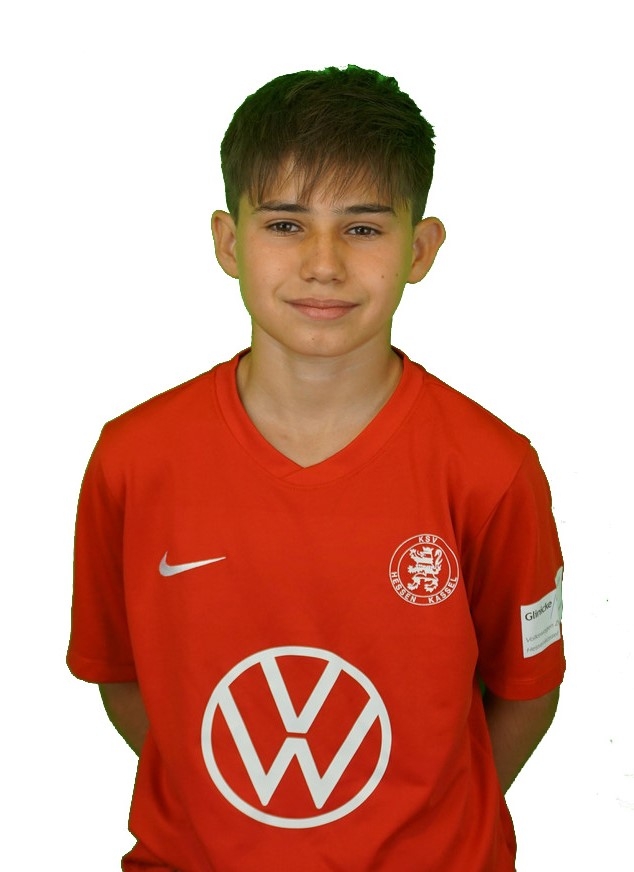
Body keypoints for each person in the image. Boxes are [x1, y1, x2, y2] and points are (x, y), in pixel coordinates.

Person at [67, 65, 565, 871]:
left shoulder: (491, 468)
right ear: (229, 242)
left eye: (363, 228)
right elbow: (119, 675)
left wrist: (415, 827)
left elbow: (526, 692)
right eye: (285, 224)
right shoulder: (134, 458)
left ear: (420, 249)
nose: (323, 263)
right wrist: (249, 815)